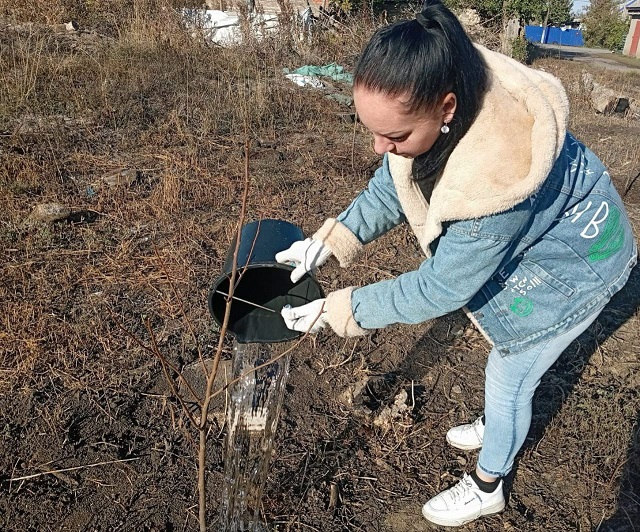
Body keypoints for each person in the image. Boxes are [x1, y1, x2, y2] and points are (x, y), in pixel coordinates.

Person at [274, 0, 638, 527]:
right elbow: (393, 182)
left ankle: (489, 484)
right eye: (371, 130)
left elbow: (440, 288)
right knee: (508, 380)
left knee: (511, 376)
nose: (380, 147)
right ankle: (499, 422)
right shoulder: (443, 84)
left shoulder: (496, 180)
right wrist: (329, 241)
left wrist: (339, 309)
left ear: (446, 109)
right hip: (546, 231)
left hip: (578, 261)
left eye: (395, 136)